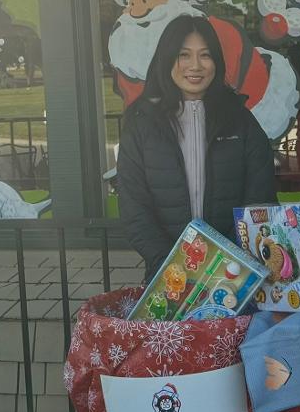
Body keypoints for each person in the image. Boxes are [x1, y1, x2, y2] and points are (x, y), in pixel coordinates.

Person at [117, 15, 277, 283]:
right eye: (184, 55)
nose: (195, 66)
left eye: (205, 55)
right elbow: (134, 208)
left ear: (216, 62)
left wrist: (229, 263)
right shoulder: (141, 124)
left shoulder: (241, 121)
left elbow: (260, 199)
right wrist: (171, 266)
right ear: (167, 58)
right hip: (168, 276)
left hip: (232, 276)